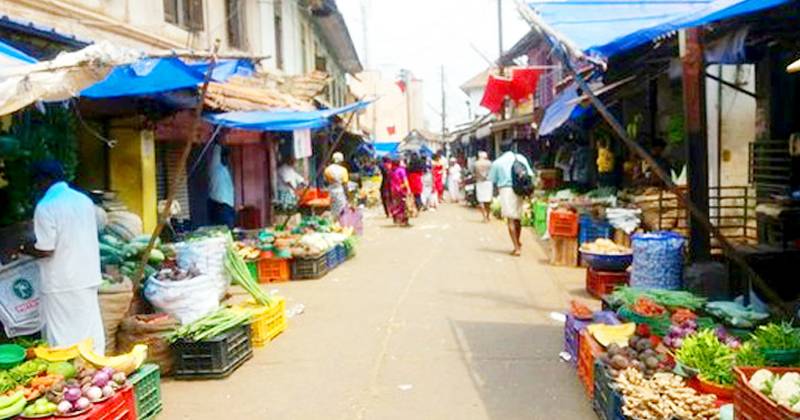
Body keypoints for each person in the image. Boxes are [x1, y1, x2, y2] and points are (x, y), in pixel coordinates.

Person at [23, 160, 105, 353]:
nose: (37, 187)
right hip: (87, 276)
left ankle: (70, 378)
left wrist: (23, 248)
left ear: (44, 180)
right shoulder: (83, 200)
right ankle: (97, 370)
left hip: (61, 282)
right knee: (89, 331)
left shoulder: (46, 206)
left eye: (37, 182)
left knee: (64, 338)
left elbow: (46, 249)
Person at [489, 147, 534, 256]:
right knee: (517, 218)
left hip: (506, 190)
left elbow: (493, 179)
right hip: (519, 189)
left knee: (510, 219)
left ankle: (516, 247)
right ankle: (518, 242)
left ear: (501, 150)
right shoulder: (521, 158)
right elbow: (530, 174)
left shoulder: (497, 163)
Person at [208, 144, 235, 228]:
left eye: (227, 157)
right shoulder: (215, 166)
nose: (227, 159)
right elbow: (217, 149)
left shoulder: (225, 169)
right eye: (224, 156)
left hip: (227, 207)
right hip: (219, 207)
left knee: (229, 230)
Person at [324, 152, 350, 220]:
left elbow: (325, 181)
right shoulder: (343, 170)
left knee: (332, 210)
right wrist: (347, 196)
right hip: (340, 192)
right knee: (342, 210)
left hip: (330, 191)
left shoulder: (327, 169)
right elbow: (345, 185)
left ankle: (333, 224)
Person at [388, 158, 411, 226]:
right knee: (403, 205)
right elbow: (405, 180)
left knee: (396, 204)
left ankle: (396, 219)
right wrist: (409, 189)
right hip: (401, 189)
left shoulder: (391, 171)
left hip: (393, 190)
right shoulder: (401, 170)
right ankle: (403, 220)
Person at [473, 151, 493, 222]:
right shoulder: (489, 163)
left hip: (479, 182)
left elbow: (474, 173)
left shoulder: (476, 164)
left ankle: (484, 217)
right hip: (488, 182)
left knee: (481, 200)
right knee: (488, 200)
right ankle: (488, 215)